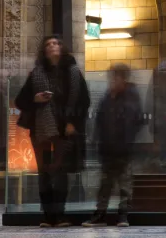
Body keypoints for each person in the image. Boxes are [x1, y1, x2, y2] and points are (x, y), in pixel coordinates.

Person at [15, 36, 90, 229]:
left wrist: (73, 122)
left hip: (63, 129)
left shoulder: (72, 72)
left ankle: (61, 215)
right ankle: (48, 216)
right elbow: (20, 101)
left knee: (60, 171)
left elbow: (83, 100)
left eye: (56, 43)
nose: (52, 46)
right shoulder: (37, 73)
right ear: (44, 50)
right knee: (44, 173)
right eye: (48, 44)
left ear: (62, 48)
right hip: (41, 130)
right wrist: (36, 99)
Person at [83, 63, 143, 228]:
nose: (112, 80)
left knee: (124, 184)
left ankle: (123, 216)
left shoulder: (131, 95)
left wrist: (125, 142)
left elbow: (134, 120)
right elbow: (100, 121)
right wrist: (97, 141)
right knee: (105, 185)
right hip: (108, 149)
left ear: (123, 78)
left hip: (124, 149)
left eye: (116, 77)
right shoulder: (107, 97)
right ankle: (100, 214)